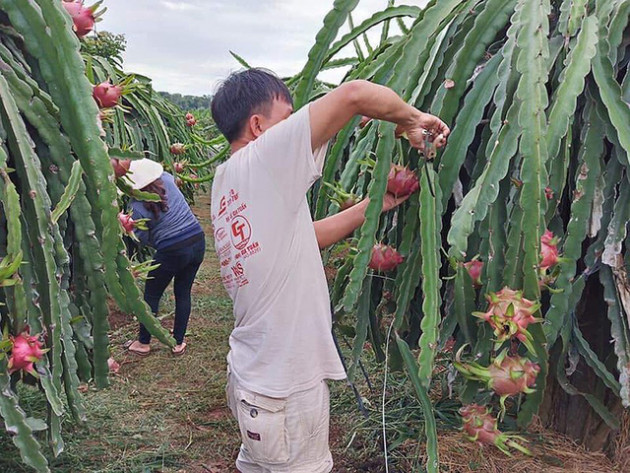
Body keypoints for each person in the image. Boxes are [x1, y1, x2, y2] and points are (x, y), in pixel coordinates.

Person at [210, 68, 450, 473]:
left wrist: (375, 205)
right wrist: (412, 120)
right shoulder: (264, 160)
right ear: (257, 125)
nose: (296, 126)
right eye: (287, 118)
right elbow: (354, 94)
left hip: (256, 378)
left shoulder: (230, 179)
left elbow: (303, 237)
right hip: (285, 388)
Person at [124, 159, 205, 356]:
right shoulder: (167, 178)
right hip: (197, 239)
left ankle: (143, 343)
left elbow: (140, 239)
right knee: (183, 292)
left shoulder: (136, 207)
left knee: (151, 294)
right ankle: (178, 343)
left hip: (172, 249)